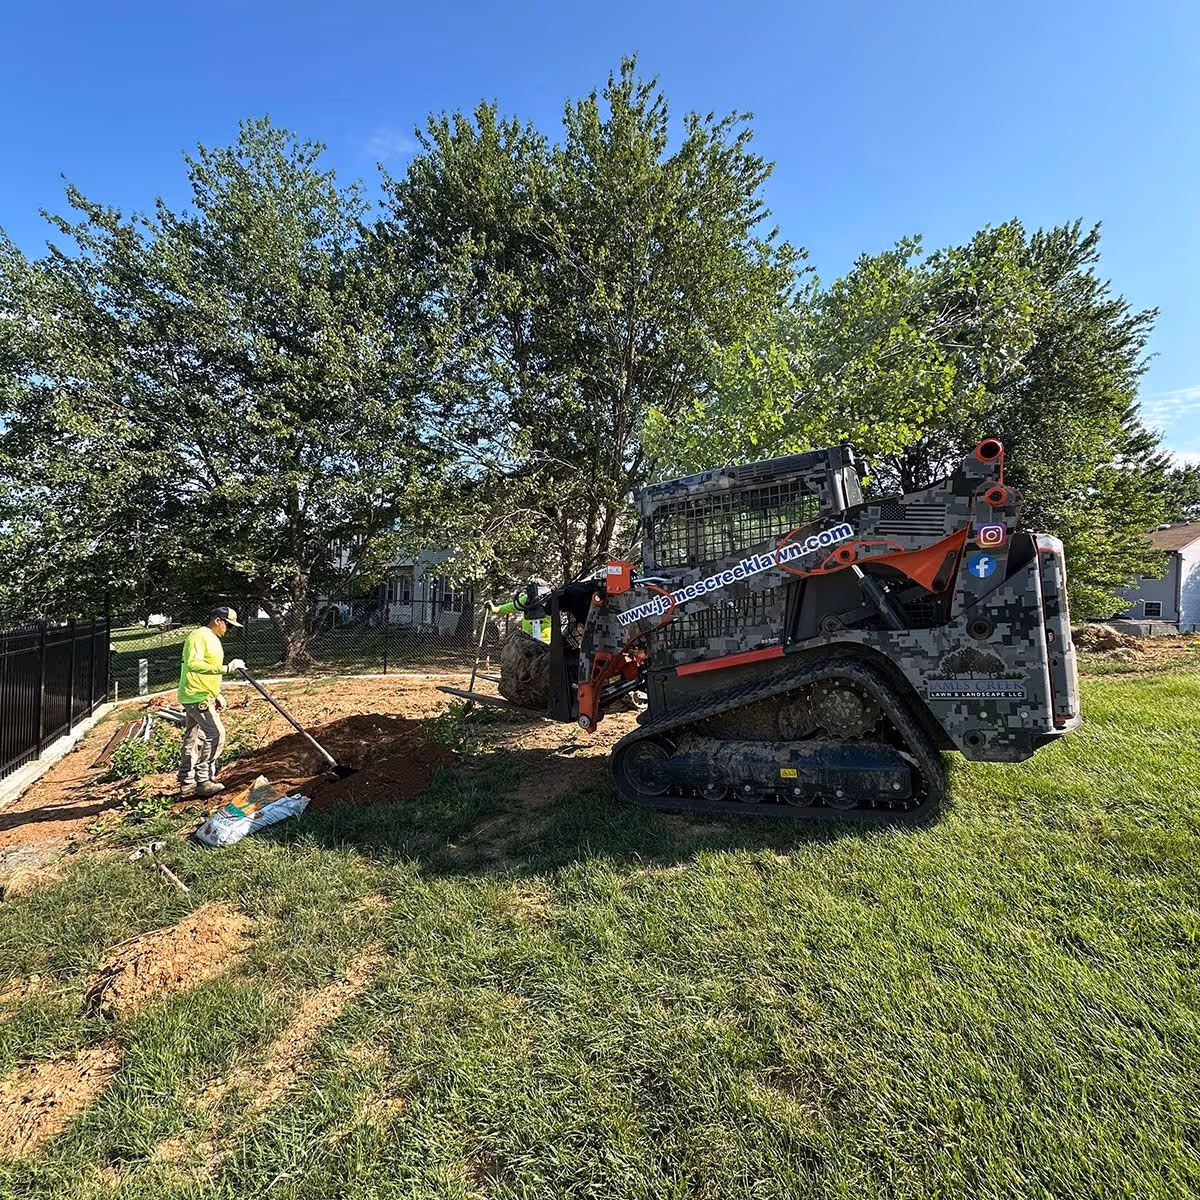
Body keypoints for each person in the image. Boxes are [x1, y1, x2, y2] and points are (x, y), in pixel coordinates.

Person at [177, 605, 247, 798]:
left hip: (200, 693)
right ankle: (204, 780)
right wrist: (227, 668)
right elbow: (193, 664)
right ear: (218, 620)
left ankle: (187, 782)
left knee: (193, 738)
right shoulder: (199, 636)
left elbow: (207, 668)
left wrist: (216, 694)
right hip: (196, 695)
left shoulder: (212, 639)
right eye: (228, 625)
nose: (229, 630)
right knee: (216, 734)